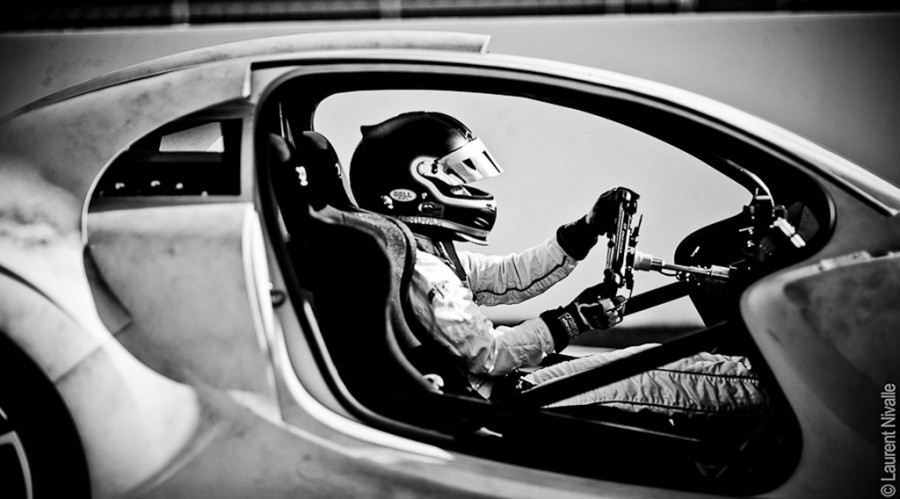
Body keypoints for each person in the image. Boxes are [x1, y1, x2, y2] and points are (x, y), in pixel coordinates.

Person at [348, 111, 768, 417]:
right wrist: (572, 321)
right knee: (676, 378)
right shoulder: (423, 269)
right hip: (504, 401)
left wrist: (585, 230)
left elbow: (507, 278)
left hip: (509, 388)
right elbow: (489, 357)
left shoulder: (419, 252)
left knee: (658, 361)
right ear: (414, 185)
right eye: (458, 178)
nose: (469, 190)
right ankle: (772, 389)